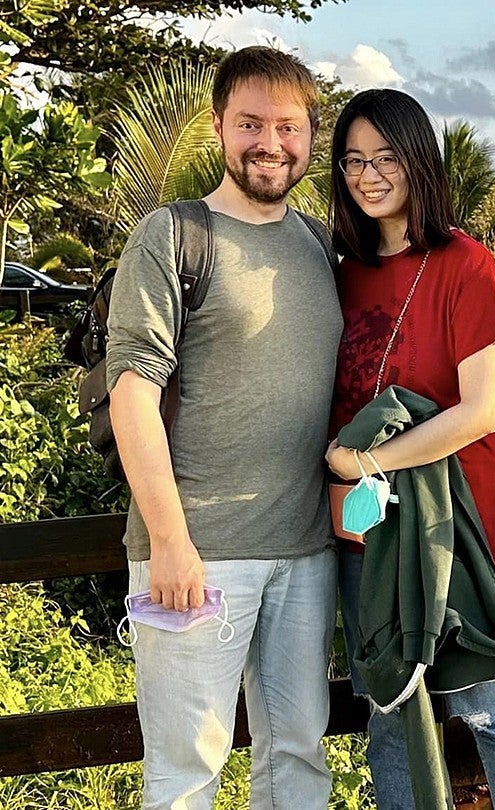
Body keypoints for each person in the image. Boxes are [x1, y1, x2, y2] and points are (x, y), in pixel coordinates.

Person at [106, 46, 341, 809]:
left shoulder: (316, 244)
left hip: (305, 554)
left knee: (299, 757)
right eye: (250, 123)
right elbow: (132, 393)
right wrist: (170, 542)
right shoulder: (171, 235)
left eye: (288, 126)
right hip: (198, 553)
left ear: (311, 136)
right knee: (185, 774)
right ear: (217, 126)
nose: (270, 143)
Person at [322, 88, 495, 809]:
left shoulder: (466, 264)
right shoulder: (342, 272)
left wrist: (367, 462)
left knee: (494, 717)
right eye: (354, 159)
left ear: (420, 161)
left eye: (387, 156)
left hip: (458, 535)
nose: (370, 174)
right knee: (391, 720)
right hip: (369, 538)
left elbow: (482, 412)